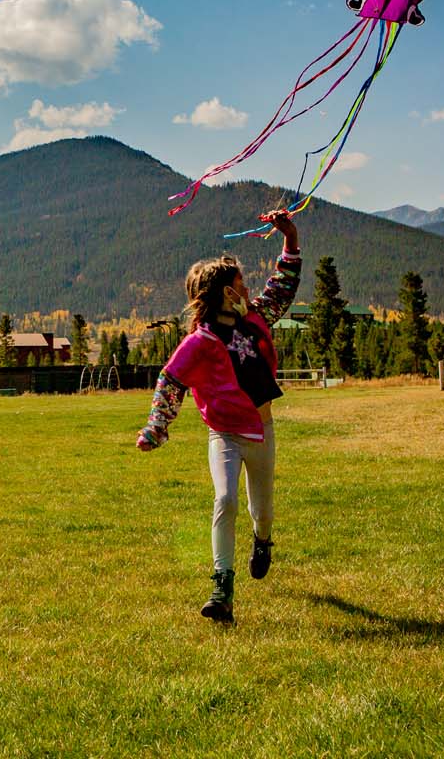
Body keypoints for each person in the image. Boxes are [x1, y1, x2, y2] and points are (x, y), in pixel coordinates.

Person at [136, 209, 301, 624]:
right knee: (225, 499)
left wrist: (290, 237)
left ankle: (263, 541)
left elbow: (282, 288)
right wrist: (157, 427)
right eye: (241, 283)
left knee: (261, 510)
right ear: (227, 292)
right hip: (224, 436)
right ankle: (221, 588)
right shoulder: (199, 341)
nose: (248, 288)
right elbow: (170, 381)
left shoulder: (256, 319)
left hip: (262, 430)